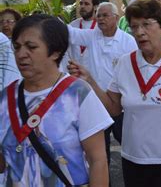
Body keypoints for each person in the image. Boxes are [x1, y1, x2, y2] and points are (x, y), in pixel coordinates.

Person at [69, 0, 161, 186]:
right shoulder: (125, 63)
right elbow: (113, 108)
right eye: (134, 26)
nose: (139, 32)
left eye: (146, 25)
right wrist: (90, 81)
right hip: (133, 160)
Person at [0, 14, 112, 186]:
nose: (21, 54)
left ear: (55, 52)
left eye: (31, 47)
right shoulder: (5, 97)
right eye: (17, 47)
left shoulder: (77, 93)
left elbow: (98, 161)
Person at [66, 2, 137, 165]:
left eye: (105, 15)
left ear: (116, 18)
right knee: (100, 150)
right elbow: (71, 34)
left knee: (129, 144)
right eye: (98, 15)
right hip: (96, 102)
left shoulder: (128, 41)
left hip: (120, 103)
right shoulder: (91, 36)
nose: (100, 19)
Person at [61, 0, 99, 71]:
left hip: (94, 76)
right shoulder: (72, 25)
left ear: (95, 7)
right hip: (73, 74)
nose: (82, 6)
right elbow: (65, 51)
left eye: (86, 4)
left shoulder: (100, 27)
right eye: (81, 3)